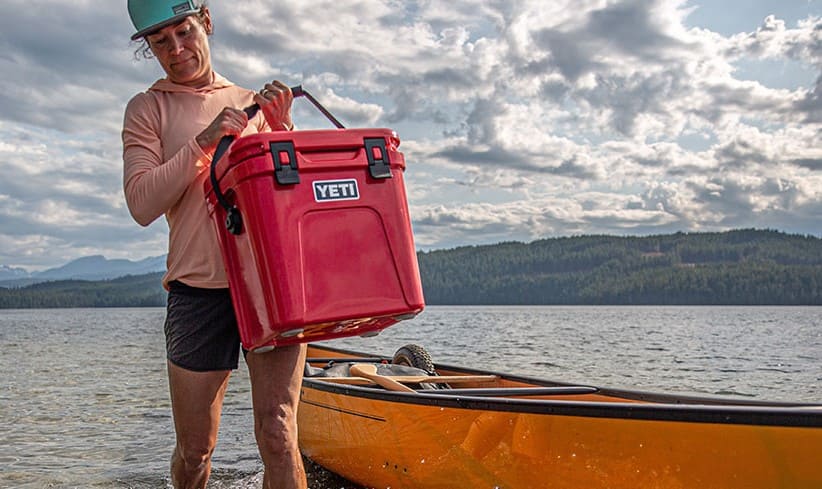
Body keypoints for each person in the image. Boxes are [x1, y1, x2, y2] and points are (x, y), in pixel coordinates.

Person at [121, 1, 307, 488]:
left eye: (184, 32)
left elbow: (289, 204)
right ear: (149, 48)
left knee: (278, 433)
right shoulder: (148, 108)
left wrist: (283, 130)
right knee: (195, 450)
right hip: (198, 292)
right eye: (160, 42)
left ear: (206, 22)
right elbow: (142, 203)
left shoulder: (252, 102)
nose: (176, 50)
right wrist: (203, 141)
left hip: (271, 290)